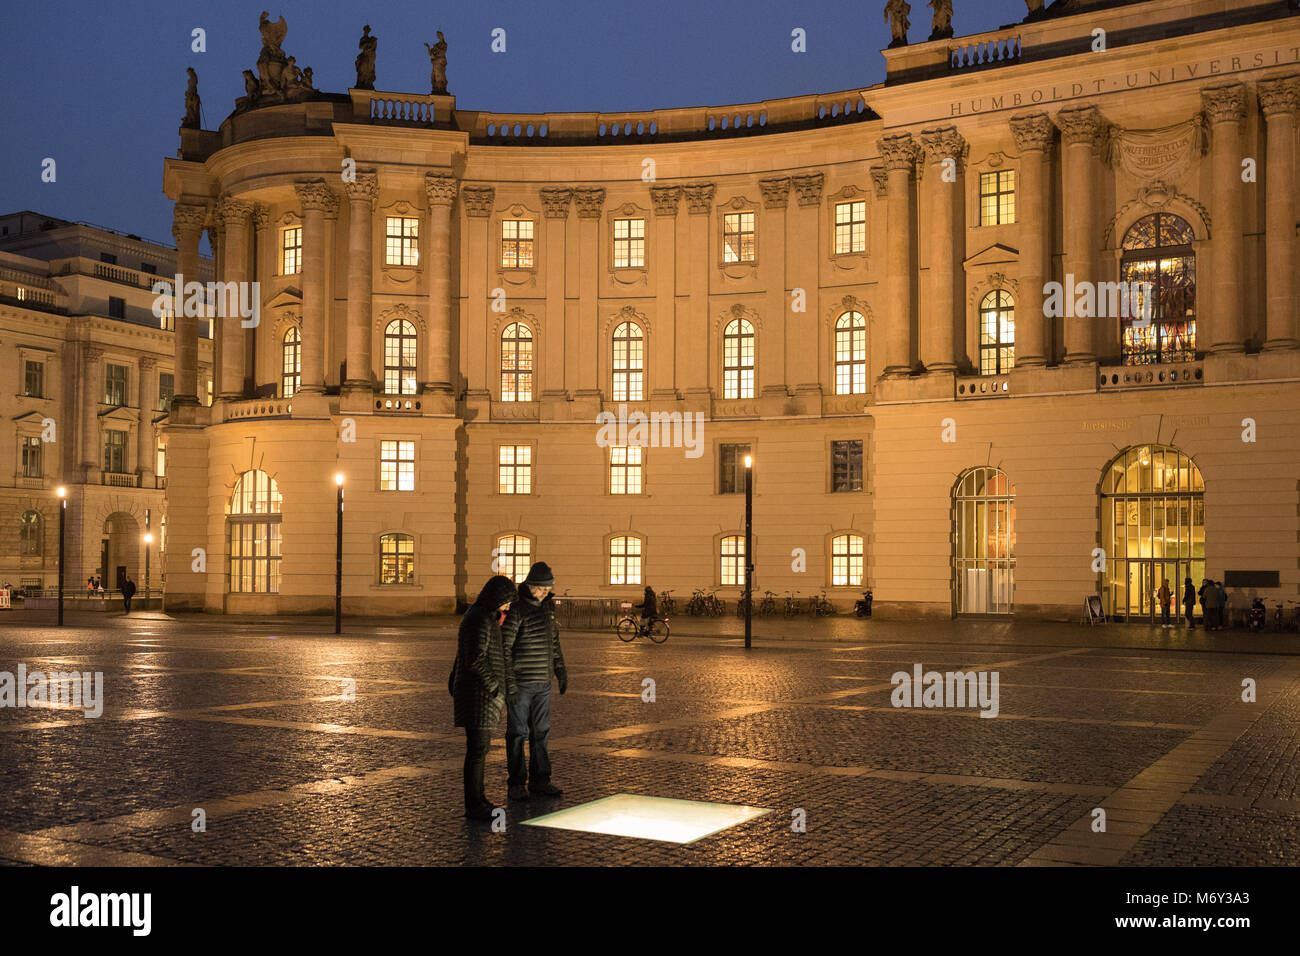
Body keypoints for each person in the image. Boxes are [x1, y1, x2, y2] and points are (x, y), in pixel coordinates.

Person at [449, 574, 518, 821]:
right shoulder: (480, 619)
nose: (509, 606)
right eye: (508, 601)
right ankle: (474, 804)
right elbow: (475, 659)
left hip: (480, 695)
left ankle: (479, 799)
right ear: (497, 597)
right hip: (477, 695)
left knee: (480, 750)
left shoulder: (484, 617)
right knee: (477, 750)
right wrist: (495, 687)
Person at [501, 562, 567, 801]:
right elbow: (504, 647)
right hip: (520, 683)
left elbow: (554, 643)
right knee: (517, 732)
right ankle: (516, 783)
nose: (545, 593)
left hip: (542, 682)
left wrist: (560, 669)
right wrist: (509, 682)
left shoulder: (548, 609)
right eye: (542, 589)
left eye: (548, 589)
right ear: (530, 587)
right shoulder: (517, 610)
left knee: (541, 732)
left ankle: (541, 780)